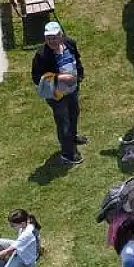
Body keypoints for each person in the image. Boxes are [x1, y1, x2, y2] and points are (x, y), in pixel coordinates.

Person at [31, 21, 88, 164]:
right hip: (56, 95)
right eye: (48, 38)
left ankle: (73, 137)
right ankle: (68, 153)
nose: (51, 41)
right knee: (63, 122)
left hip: (72, 89)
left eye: (54, 37)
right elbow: (37, 78)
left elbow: (77, 59)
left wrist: (79, 75)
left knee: (74, 113)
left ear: (61, 36)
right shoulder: (41, 55)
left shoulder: (70, 44)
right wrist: (59, 78)